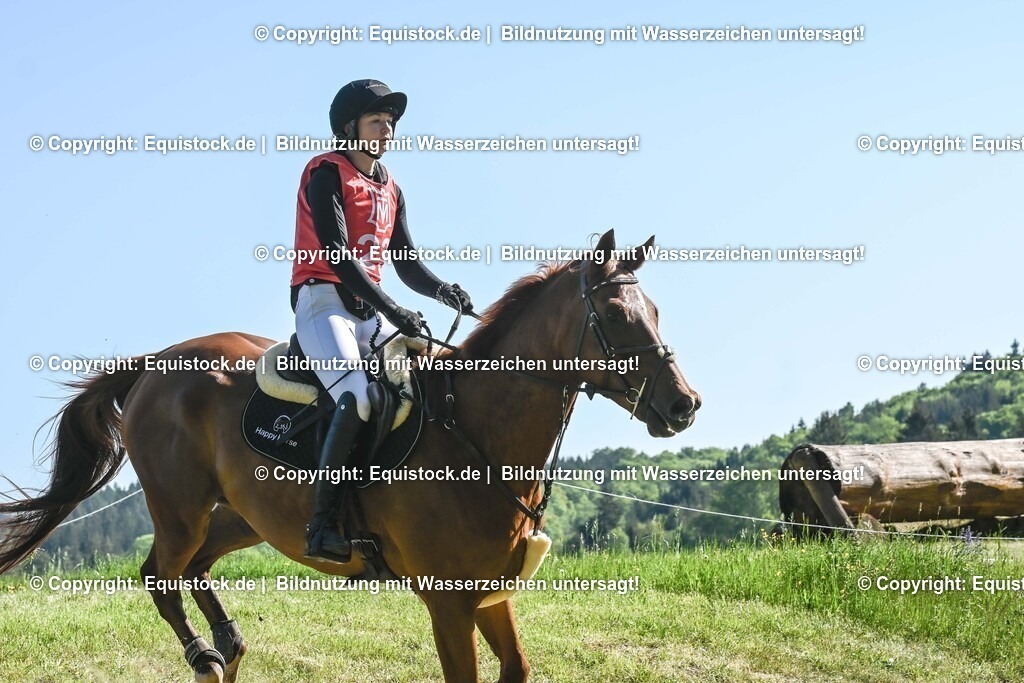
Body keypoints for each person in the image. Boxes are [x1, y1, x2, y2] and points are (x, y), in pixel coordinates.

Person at [291, 79, 472, 563]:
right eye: (378, 120)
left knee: (432, 380)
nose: (388, 129)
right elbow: (338, 255)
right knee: (357, 396)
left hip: (370, 312)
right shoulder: (325, 171)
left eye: (391, 122)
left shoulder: (392, 186)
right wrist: (396, 311)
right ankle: (322, 523)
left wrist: (440, 290)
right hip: (323, 301)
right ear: (350, 128)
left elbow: (406, 262)